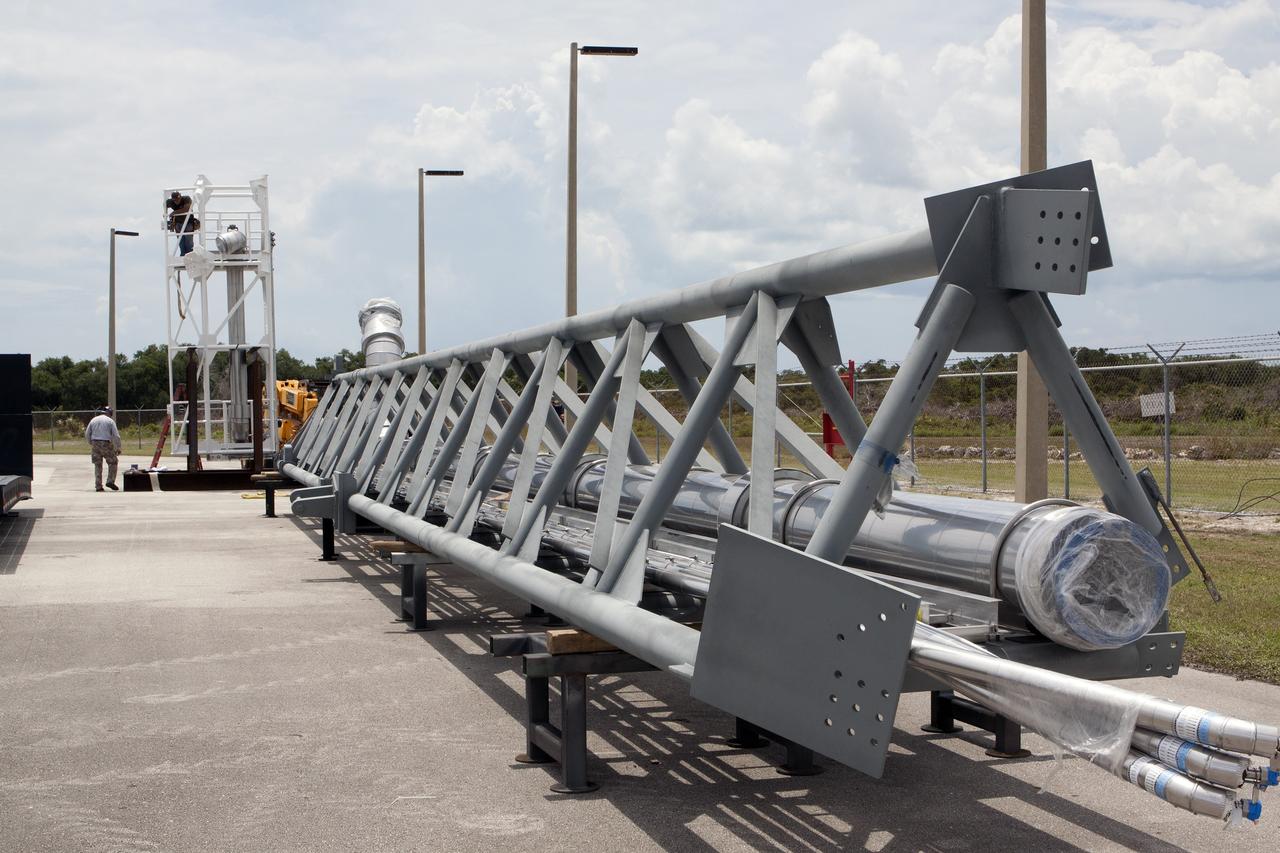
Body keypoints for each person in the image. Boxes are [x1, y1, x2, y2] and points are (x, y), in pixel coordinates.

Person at [85, 405, 122, 492]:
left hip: (95, 442)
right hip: (106, 443)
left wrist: (91, 443)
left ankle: (98, 486)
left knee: (98, 465)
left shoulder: (93, 420)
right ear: (110, 413)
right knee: (113, 462)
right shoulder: (110, 421)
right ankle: (110, 481)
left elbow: (87, 433)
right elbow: (116, 436)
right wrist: (118, 447)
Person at [166, 191, 199, 256]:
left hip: (188, 223)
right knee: (181, 242)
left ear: (180, 196)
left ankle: (190, 255)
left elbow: (186, 209)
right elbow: (165, 204)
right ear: (173, 199)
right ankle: (183, 255)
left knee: (188, 242)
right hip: (178, 224)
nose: (177, 201)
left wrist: (173, 213)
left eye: (178, 199)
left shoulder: (186, 199)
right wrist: (165, 212)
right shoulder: (171, 202)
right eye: (175, 200)